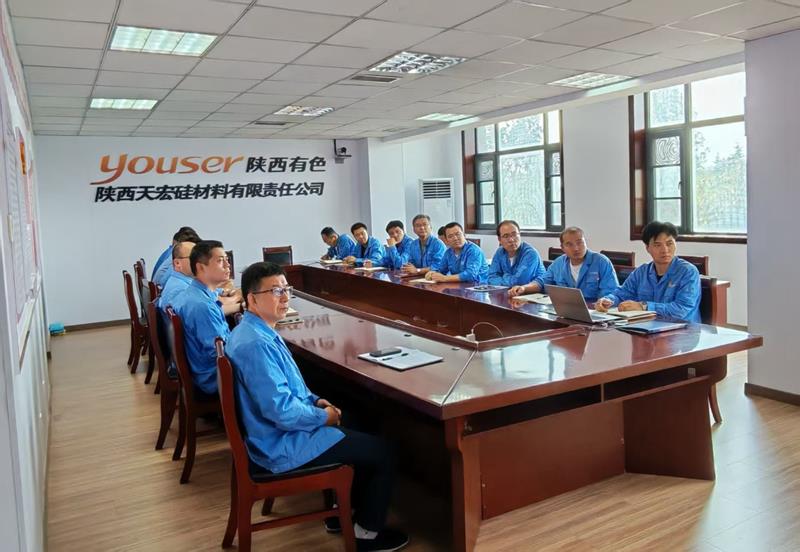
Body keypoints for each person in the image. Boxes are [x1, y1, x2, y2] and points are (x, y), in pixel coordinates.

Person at [226, 262, 409, 551]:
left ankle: (342, 513)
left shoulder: (255, 330)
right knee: (385, 452)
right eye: (276, 291)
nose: (285, 297)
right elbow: (282, 412)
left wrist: (315, 401)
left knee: (361, 420)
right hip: (281, 443)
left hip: (275, 432)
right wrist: (323, 417)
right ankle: (367, 534)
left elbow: (287, 388)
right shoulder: (256, 344)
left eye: (287, 289)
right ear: (252, 299)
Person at [171, 240, 241, 397]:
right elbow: (219, 354)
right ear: (201, 267)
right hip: (214, 378)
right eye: (220, 261)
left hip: (206, 371)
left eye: (227, 259)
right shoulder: (201, 306)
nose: (228, 265)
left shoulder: (197, 294)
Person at [595, 221, 701, 322]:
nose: (665, 250)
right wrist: (607, 300)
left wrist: (644, 306)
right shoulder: (641, 272)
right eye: (657, 245)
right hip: (647, 326)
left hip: (682, 329)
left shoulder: (688, 272)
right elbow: (621, 294)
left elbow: (682, 309)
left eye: (669, 244)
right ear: (647, 248)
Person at [508, 227, 618, 302]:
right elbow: (542, 282)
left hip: (595, 312)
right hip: (567, 311)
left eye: (580, 242)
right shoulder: (559, 263)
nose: (576, 248)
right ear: (562, 248)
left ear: (585, 242)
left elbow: (611, 293)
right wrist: (523, 288)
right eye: (569, 244)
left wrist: (603, 303)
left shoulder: (601, 262)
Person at [487, 220, 545, 286]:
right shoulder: (500, 252)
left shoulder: (530, 253)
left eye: (514, 235)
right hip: (507, 291)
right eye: (506, 236)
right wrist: (511, 279)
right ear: (499, 240)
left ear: (520, 235)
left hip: (530, 292)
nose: (511, 240)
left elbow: (520, 281)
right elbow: (491, 278)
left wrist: (505, 276)